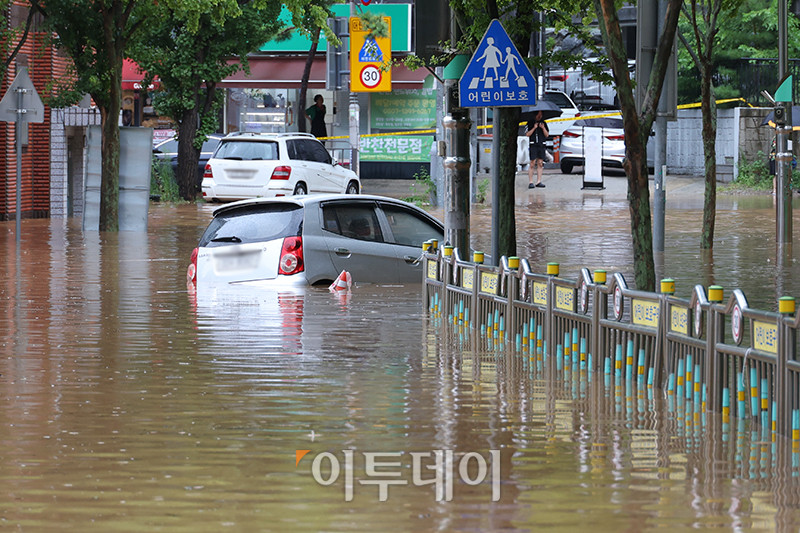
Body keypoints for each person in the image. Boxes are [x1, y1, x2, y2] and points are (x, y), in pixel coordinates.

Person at [526, 110, 549, 188]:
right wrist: (534, 128)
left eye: (541, 115)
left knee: (540, 163)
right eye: (538, 115)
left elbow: (547, 135)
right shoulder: (530, 123)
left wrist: (543, 128)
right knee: (532, 162)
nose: (540, 116)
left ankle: (539, 181)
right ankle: (530, 181)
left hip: (541, 144)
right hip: (533, 144)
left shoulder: (544, 123)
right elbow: (527, 134)